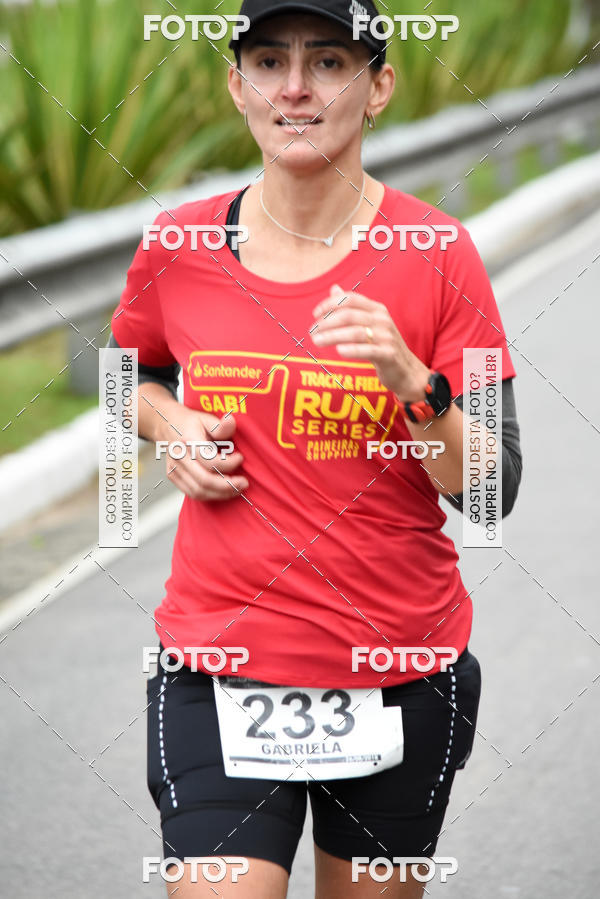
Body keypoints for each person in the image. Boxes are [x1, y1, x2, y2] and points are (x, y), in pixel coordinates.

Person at [109, 1, 522, 895]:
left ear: (379, 87)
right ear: (237, 86)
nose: (294, 88)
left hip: (401, 667)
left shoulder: (440, 253)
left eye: (329, 63)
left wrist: (416, 384)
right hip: (218, 666)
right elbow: (124, 377)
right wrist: (170, 422)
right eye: (268, 62)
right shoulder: (177, 246)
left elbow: (492, 487)